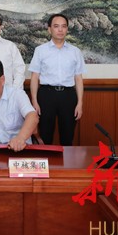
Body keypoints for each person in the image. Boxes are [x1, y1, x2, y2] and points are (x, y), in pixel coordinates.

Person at [29, 13, 86, 146]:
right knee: (45, 135)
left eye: (63, 26)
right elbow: (34, 77)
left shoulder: (75, 51)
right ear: (49, 29)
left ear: (67, 29)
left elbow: (78, 79)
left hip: (68, 96)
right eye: (56, 26)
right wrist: (34, 101)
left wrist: (80, 103)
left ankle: (67, 160)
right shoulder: (40, 50)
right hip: (46, 95)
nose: (60, 30)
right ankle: (46, 159)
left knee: (67, 136)